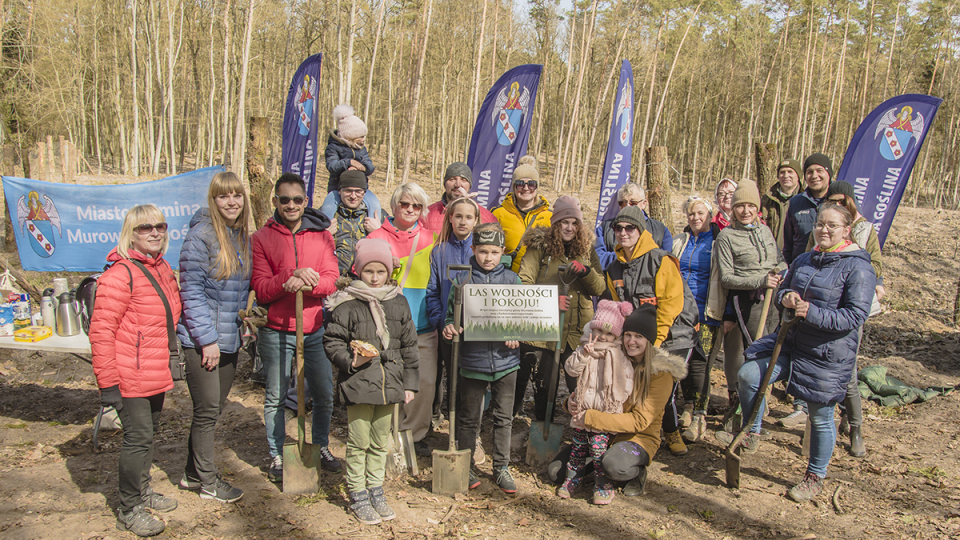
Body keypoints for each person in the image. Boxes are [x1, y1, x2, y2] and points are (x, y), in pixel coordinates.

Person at [716, 202, 876, 502]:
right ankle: (752, 433)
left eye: (831, 225)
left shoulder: (859, 266)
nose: (823, 230)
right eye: (819, 224)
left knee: (820, 416)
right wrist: (786, 297)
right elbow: (783, 292)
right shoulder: (805, 258)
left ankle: (815, 475)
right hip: (789, 343)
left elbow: (855, 317)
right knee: (749, 374)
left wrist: (810, 312)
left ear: (846, 229)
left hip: (825, 354)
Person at [90, 204, 182, 537]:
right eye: (145, 228)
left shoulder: (161, 267)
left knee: (147, 437)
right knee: (138, 439)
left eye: (160, 226)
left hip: (154, 369)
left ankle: (142, 492)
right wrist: (108, 385)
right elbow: (101, 332)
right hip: (129, 374)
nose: (155, 232)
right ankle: (128, 508)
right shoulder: (120, 274)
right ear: (132, 232)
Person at [252, 173, 341, 482]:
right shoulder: (262, 238)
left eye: (297, 200)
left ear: (306, 201)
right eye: (284, 199)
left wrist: (306, 281)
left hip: (314, 328)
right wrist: (289, 276)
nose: (291, 205)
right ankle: (277, 454)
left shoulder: (321, 236)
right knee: (276, 395)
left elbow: (331, 279)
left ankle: (321, 445)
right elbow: (262, 289)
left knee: (324, 392)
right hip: (276, 329)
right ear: (275, 201)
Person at [323, 238, 419, 525]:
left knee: (381, 441)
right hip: (359, 383)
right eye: (368, 272)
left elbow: (410, 346)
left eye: (380, 271)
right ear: (358, 271)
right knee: (359, 441)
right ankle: (357, 492)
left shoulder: (398, 302)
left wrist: (409, 384)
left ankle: (375, 488)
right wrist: (350, 361)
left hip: (390, 384)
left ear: (389, 272)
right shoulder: (347, 304)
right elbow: (332, 341)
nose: (375, 277)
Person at [548, 306, 687, 500]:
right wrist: (569, 403)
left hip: (636, 437)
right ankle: (593, 469)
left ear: (649, 340)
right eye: (628, 335)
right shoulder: (614, 356)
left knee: (613, 466)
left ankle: (636, 472)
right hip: (600, 433)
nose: (631, 341)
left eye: (639, 336)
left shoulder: (660, 374)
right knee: (555, 472)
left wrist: (590, 417)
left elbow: (639, 421)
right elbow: (591, 387)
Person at [176, 172, 250, 504]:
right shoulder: (200, 237)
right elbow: (190, 293)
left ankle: (193, 474)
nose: (231, 202)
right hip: (202, 342)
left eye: (236, 195)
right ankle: (208, 481)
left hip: (230, 338)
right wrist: (207, 341)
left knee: (214, 410)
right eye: (223, 196)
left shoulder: (240, 236)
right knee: (206, 411)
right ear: (213, 200)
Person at [603, 205, 700, 457]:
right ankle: (639, 432)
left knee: (662, 387)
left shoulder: (660, 259)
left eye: (629, 228)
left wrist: (654, 343)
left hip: (675, 332)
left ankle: (671, 431)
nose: (623, 233)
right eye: (618, 228)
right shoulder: (614, 268)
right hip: (641, 336)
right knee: (635, 384)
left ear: (640, 230)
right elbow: (617, 308)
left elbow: (671, 304)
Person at [800, 180, 884, 457]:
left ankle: (855, 425)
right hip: (817, 310)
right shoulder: (821, 232)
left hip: (847, 311)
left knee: (846, 373)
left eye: (841, 201)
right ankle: (812, 426)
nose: (836, 205)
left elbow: (875, 264)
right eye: (832, 201)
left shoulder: (864, 230)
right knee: (816, 371)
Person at [442, 223, 522, 493]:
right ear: (473, 250)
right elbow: (451, 317)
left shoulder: (513, 281)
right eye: (483, 251)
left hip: (506, 361)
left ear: (503, 252)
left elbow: (523, 318)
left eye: (495, 252)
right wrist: (450, 326)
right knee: (468, 417)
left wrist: (517, 333)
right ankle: (467, 465)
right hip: (472, 361)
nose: (489, 258)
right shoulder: (463, 280)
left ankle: (501, 467)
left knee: (504, 416)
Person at [517, 196, 605, 421]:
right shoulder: (539, 248)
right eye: (565, 222)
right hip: (546, 327)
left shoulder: (586, 250)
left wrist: (586, 271)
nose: (570, 227)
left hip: (577, 329)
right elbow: (524, 283)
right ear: (556, 223)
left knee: (580, 381)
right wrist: (549, 301)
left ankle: (583, 427)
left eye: (574, 223)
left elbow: (599, 288)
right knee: (545, 382)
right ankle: (542, 423)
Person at [368, 182, 438, 456]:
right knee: (390, 381)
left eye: (416, 206)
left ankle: (414, 436)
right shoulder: (376, 237)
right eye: (404, 204)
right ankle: (388, 435)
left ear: (422, 210)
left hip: (422, 326)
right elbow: (360, 274)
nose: (409, 210)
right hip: (385, 327)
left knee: (425, 382)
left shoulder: (433, 239)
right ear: (394, 206)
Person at [709, 180, 786, 425]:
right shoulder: (726, 237)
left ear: (757, 208)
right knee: (745, 356)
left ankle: (757, 410)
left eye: (750, 206)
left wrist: (780, 270)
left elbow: (779, 259)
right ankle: (739, 409)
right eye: (739, 205)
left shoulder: (765, 231)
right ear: (732, 208)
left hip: (771, 302)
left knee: (766, 356)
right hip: (744, 303)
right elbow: (727, 277)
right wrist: (761, 280)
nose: (745, 211)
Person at [558, 300, 635, 504]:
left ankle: (603, 483)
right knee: (578, 448)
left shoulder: (618, 356)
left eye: (609, 333)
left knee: (599, 449)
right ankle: (573, 479)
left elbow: (627, 382)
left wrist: (616, 402)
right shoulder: (585, 349)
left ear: (617, 335)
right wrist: (583, 355)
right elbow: (570, 369)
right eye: (599, 330)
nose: (603, 336)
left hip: (604, 416)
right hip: (582, 412)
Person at [426, 196, 480, 437]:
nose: (463, 221)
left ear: (476, 221)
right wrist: (442, 322)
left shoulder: (479, 252)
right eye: (458, 216)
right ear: (449, 217)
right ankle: (449, 428)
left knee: (471, 384)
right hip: (449, 330)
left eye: (468, 217)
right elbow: (433, 292)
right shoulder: (439, 251)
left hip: (475, 330)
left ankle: (469, 434)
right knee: (451, 379)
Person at [671, 195, 720, 443]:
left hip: (707, 311)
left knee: (701, 363)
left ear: (710, 216)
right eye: (691, 213)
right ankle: (687, 407)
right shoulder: (680, 241)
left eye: (700, 213)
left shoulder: (719, 241)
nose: (696, 217)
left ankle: (700, 414)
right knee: (682, 361)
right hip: (681, 312)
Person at [320, 103, 381, 219]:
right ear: (349, 136)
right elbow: (332, 166)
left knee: (375, 203)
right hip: (337, 188)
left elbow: (370, 166)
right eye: (360, 136)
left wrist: (363, 168)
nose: (363, 140)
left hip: (360, 189)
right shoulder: (333, 148)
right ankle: (325, 230)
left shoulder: (361, 149)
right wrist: (349, 163)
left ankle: (375, 228)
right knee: (328, 207)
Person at [492, 155, 552, 271]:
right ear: (514, 187)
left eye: (531, 184)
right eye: (520, 183)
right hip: (507, 282)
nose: (526, 188)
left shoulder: (550, 216)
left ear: (537, 186)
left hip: (539, 282)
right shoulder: (498, 213)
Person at [595, 182, 673, 270]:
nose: (628, 206)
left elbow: (665, 261)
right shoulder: (604, 227)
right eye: (623, 203)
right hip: (613, 279)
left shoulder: (660, 230)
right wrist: (629, 257)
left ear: (644, 203)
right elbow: (598, 259)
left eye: (633, 203)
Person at [326, 170, 383, 275]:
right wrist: (324, 235)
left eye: (358, 191)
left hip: (366, 282)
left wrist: (378, 232)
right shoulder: (325, 216)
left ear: (364, 192)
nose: (353, 196)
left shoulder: (378, 216)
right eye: (348, 191)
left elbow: (393, 249)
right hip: (334, 279)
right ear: (339, 191)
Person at [782, 153, 833, 264]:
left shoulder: (841, 200)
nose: (814, 176)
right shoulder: (795, 202)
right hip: (800, 270)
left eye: (819, 170)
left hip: (832, 272)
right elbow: (788, 246)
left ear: (829, 173)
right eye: (809, 172)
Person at [420, 162, 498, 232]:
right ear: (445, 184)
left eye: (463, 180)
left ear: (469, 185)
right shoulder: (426, 215)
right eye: (452, 179)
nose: (458, 185)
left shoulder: (488, 218)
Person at [760, 158, 804, 248]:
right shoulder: (767, 200)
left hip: (796, 255)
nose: (785, 175)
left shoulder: (805, 200)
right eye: (782, 172)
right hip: (770, 253)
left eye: (790, 172)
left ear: (798, 175)